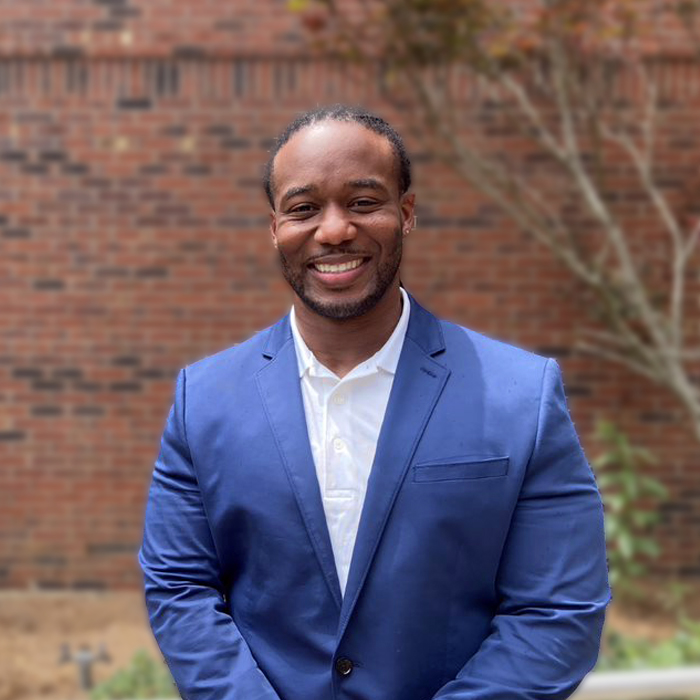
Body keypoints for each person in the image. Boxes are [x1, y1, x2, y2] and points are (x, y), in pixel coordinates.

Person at [138, 104, 610, 700]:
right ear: (275, 227)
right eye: (304, 208)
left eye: (363, 202)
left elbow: (558, 610)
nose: (333, 230)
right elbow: (180, 589)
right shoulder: (202, 400)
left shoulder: (522, 395)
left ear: (406, 213)